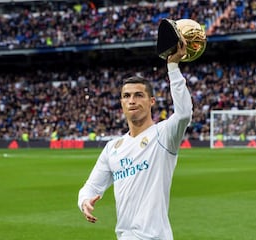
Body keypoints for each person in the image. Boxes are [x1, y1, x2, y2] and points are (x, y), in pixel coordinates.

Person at [77, 37, 192, 240]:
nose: (132, 100)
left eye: (139, 95)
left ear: (151, 101)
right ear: (121, 102)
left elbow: (183, 114)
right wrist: (84, 201)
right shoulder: (113, 148)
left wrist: (173, 66)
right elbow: (92, 186)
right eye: (127, 96)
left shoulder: (163, 135)